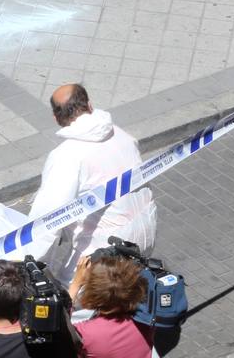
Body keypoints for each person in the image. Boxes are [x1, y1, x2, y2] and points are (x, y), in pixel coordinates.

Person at [28, 84, 158, 285]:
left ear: (56, 118)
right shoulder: (119, 133)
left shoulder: (67, 156)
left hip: (107, 246)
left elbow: (47, 218)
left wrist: (30, 263)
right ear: (89, 105)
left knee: (76, 300)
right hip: (145, 228)